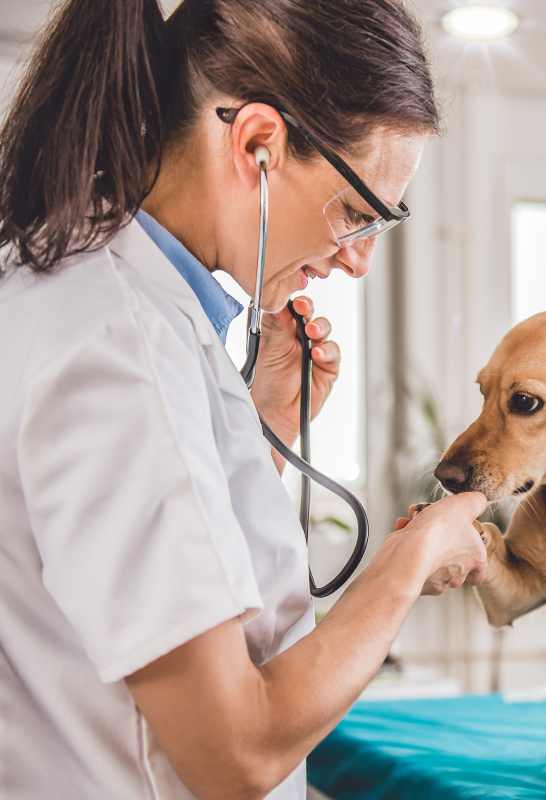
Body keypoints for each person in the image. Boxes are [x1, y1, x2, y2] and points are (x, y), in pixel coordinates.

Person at [0, 1, 486, 797]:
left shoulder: (88, 298)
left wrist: (264, 427)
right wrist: (411, 560)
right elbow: (234, 752)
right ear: (257, 143)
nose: (358, 261)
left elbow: (142, 560)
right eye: (356, 213)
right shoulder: (119, 350)